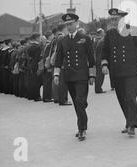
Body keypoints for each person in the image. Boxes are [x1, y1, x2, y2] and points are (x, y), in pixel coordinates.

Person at [101, 8, 137, 137]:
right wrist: (104, 64)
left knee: (130, 97)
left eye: (116, 19)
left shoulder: (132, 30)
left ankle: (132, 125)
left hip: (131, 71)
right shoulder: (110, 34)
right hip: (116, 72)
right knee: (122, 99)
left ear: (123, 18)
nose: (114, 21)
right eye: (112, 19)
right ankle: (129, 121)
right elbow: (105, 51)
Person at [54, 13, 96, 141]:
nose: (69, 26)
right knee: (78, 103)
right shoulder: (63, 40)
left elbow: (91, 57)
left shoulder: (84, 38)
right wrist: (56, 74)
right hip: (69, 76)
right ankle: (83, 113)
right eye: (67, 24)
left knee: (79, 101)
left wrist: (92, 75)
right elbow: (59, 58)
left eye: (71, 24)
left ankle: (81, 128)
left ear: (76, 24)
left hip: (82, 76)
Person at [51, 24, 72, 105]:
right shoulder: (62, 37)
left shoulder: (56, 38)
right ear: (64, 28)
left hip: (60, 62)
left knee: (61, 82)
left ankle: (61, 99)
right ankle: (63, 100)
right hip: (63, 62)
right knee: (63, 83)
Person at [27, 33, 43, 101]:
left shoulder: (30, 46)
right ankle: (37, 96)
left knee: (32, 81)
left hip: (31, 64)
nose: (40, 39)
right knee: (37, 81)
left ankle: (31, 95)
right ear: (36, 38)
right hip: (36, 65)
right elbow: (37, 58)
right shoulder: (37, 47)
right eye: (39, 38)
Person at [41, 31, 54, 102]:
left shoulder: (45, 44)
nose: (53, 36)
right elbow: (47, 56)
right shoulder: (49, 45)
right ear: (49, 36)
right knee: (47, 82)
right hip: (47, 65)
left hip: (44, 64)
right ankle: (47, 97)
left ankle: (46, 97)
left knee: (46, 81)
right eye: (52, 35)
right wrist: (48, 66)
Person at [94, 28, 107, 93]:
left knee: (98, 74)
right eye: (103, 32)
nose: (104, 33)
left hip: (96, 59)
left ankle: (98, 88)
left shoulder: (96, 40)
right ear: (100, 33)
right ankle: (98, 89)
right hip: (99, 59)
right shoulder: (101, 41)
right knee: (100, 75)